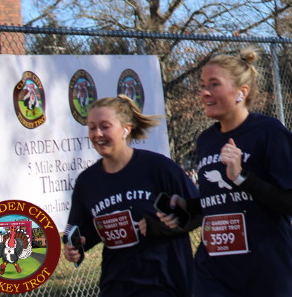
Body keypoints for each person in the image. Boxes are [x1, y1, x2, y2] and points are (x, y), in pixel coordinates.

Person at [162, 48, 292, 297]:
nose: (205, 92)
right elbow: (219, 201)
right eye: (202, 85)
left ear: (242, 92)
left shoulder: (270, 133)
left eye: (214, 84)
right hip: (213, 273)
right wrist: (187, 206)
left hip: (265, 271)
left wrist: (242, 177)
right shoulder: (206, 140)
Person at [63, 96, 199, 296]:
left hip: (164, 283)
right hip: (116, 285)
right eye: (92, 128)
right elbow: (79, 232)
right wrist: (74, 248)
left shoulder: (158, 168)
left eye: (105, 126)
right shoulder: (87, 181)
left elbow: (199, 211)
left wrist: (161, 225)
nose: (97, 134)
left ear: (126, 129)